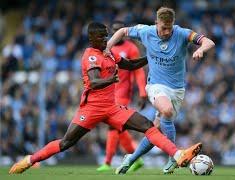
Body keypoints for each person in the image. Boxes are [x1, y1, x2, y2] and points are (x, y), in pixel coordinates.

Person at [8, 22, 202, 174]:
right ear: (92, 38)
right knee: (66, 142)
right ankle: (30, 160)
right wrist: (112, 79)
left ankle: (177, 154)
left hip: (112, 107)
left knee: (147, 125)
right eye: (102, 37)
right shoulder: (91, 56)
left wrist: (150, 57)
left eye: (106, 36)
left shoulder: (108, 53)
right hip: (91, 108)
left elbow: (131, 65)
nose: (106, 40)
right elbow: (93, 82)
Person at [106, 7, 215, 174]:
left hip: (177, 90)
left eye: (169, 27)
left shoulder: (182, 33)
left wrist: (200, 49)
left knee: (155, 131)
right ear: (156, 23)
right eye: (163, 28)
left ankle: (131, 159)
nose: (167, 32)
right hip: (155, 85)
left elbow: (209, 42)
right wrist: (107, 47)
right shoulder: (145, 31)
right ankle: (174, 157)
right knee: (167, 110)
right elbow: (122, 31)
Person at [96, 21, 147, 172]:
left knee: (113, 125)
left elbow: (138, 71)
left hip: (123, 93)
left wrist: (143, 92)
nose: (118, 33)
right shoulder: (107, 49)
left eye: (121, 30)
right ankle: (135, 158)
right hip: (109, 93)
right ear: (112, 31)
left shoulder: (130, 48)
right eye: (115, 30)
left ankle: (107, 162)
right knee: (118, 127)